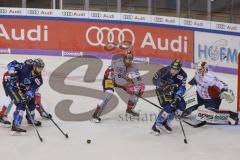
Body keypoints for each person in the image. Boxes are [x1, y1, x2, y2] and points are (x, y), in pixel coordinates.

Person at [92, 50, 145, 123]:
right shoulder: (119, 64)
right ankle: (95, 115)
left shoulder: (133, 66)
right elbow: (118, 80)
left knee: (136, 90)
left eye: (130, 59)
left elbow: (137, 79)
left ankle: (129, 110)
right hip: (110, 78)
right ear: (124, 58)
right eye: (127, 59)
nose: (128, 61)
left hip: (121, 78)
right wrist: (128, 86)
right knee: (109, 94)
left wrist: (140, 86)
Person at [5, 58, 45, 134]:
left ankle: (30, 119)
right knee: (21, 103)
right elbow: (10, 64)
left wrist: (28, 95)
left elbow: (32, 90)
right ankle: (16, 125)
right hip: (12, 86)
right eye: (38, 67)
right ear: (34, 66)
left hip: (23, 89)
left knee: (31, 101)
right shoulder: (25, 67)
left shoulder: (39, 80)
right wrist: (12, 73)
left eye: (41, 68)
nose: (40, 70)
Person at [152, 59, 187, 135]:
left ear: (179, 69)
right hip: (162, 90)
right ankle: (157, 124)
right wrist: (164, 85)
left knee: (182, 105)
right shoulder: (164, 70)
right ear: (170, 67)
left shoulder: (183, 75)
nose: (173, 71)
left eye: (176, 70)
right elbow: (154, 80)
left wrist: (177, 96)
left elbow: (182, 87)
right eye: (172, 68)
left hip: (174, 91)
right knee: (169, 106)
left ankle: (166, 122)